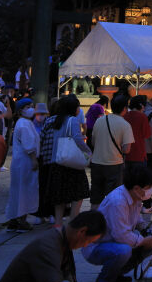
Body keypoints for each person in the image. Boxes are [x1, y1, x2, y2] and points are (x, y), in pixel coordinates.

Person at [0, 211, 105, 282]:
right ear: (82, 232)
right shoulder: (48, 245)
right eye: (89, 241)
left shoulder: (62, 239)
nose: (86, 245)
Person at [82, 166, 152, 282]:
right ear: (136, 188)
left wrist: (147, 231)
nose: (151, 190)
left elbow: (136, 219)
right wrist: (142, 241)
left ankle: (116, 274)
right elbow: (121, 235)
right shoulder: (118, 202)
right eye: (148, 187)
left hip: (112, 241)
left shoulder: (134, 197)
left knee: (150, 245)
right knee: (124, 250)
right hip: (95, 247)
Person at [40, 94, 91, 228]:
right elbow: (77, 139)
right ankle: (72, 221)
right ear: (73, 108)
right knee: (78, 193)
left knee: (59, 195)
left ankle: (58, 223)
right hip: (71, 163)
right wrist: (88, 151)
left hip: (57, 162)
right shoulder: (72, 120)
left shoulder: (53, 120)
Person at [89, 95, 133, 210]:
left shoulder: (99, 120)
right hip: (114, 164)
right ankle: (110, 223)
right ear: (124, 108)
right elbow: (126, 149)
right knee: (113, 197)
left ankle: (94, 223)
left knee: (96, 197)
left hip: (96, 163)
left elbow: (93, 142)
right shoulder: (125, 125)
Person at [7, 98, 41, 231]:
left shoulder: (23, 122)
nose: (32, 109)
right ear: (21, 110)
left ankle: (13, 219)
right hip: (26, 161)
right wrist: (34, 159)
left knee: (17, 191)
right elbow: (29, 145)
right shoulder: (24, 124)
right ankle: (22, 220)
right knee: (25, 191)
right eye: (29, 106)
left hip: (19, 162)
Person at [124, 96, 151, 176]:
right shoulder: (143, 117)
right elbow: (147, 134)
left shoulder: (125, 116)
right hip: (139, 154)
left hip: (126, 155)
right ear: (141, 105)